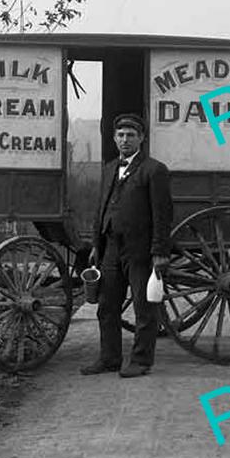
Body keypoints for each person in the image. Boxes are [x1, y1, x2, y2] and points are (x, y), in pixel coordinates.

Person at [82, 113, 173, 378]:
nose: (125, 140)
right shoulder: (110, 168)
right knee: (107, 306)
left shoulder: (155, 170)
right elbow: (101, 208)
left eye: (131, 135)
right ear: (114, 138)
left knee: (144, 307)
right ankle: (109, 358)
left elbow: (162, 213)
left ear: (141, 139)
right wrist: (96, 245)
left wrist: (159, 252)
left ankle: (141, 361)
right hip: (110, 247)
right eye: (120, 135)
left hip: (141, 249)